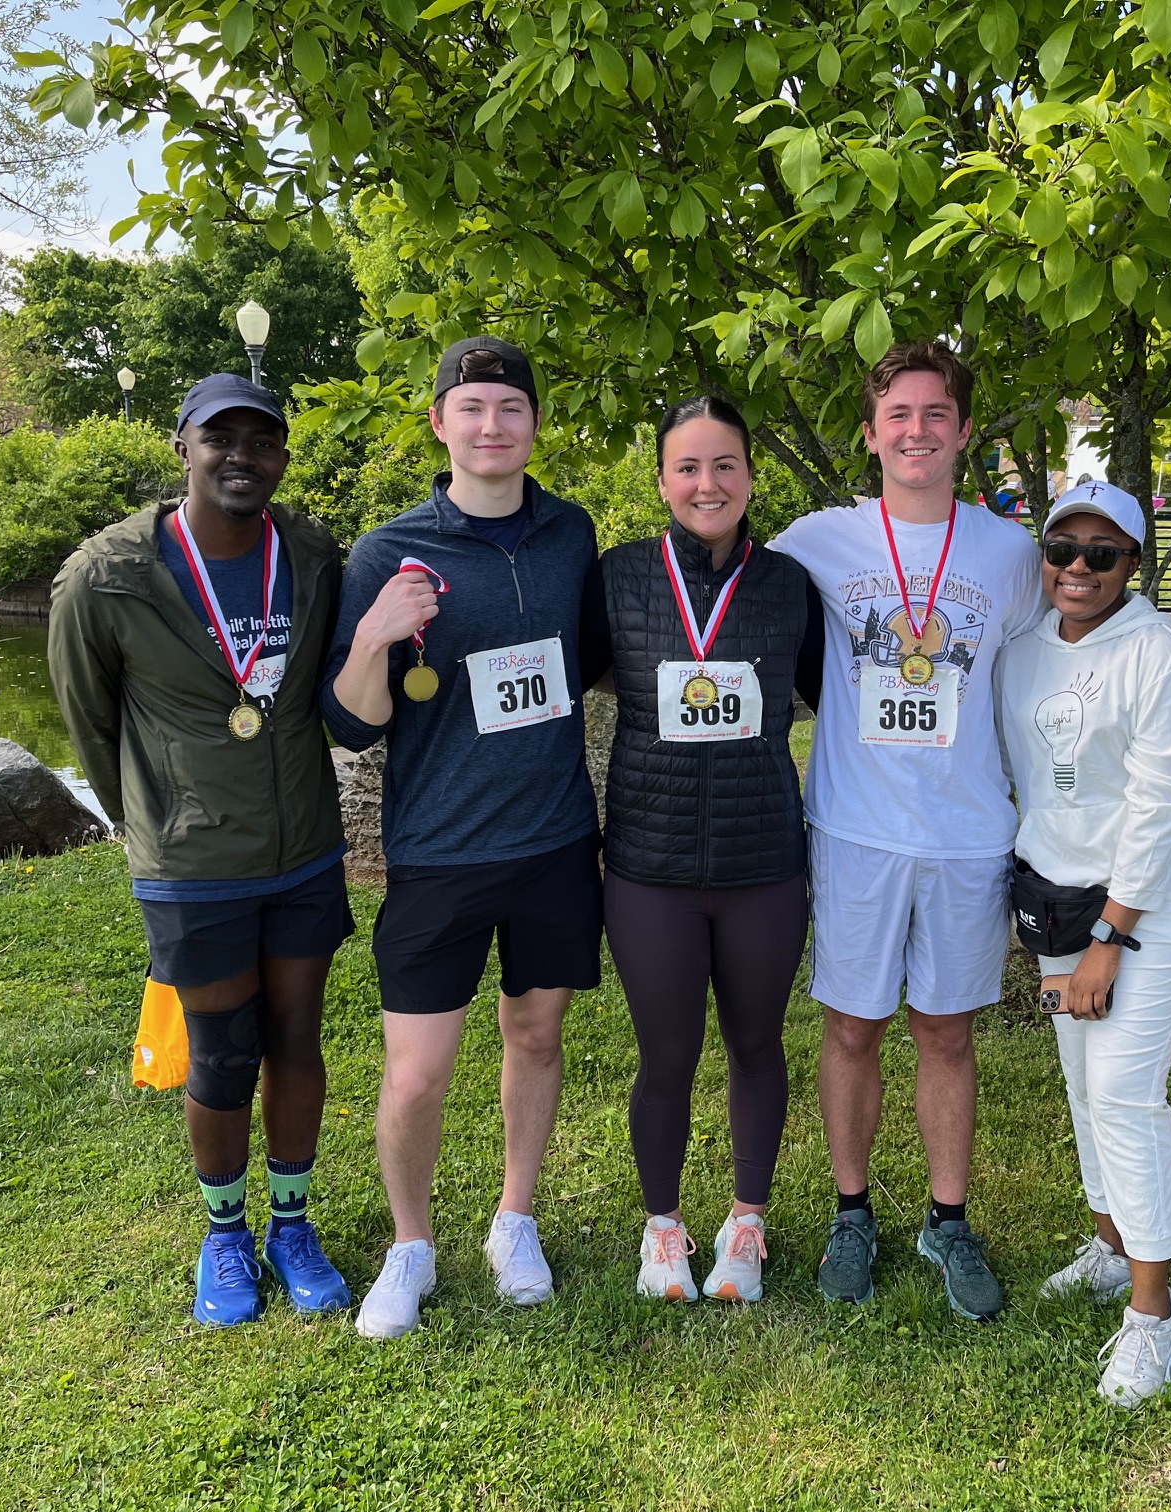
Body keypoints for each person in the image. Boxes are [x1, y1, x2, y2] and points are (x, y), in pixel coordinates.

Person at [49, 373, 355, 1327]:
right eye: (218, 438)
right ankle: (226, 1234)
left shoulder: (310, 551)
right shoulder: (106, 575)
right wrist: (160, 821)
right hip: (193, 865)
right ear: (180, 446)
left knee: (296, 1038)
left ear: (282, 458)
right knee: (224, 1054)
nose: (240, 456)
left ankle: (291, 1225)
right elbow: (92, 728)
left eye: (261, 441)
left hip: (303, 845)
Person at [321, 336, 608, 1338]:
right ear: (440, 423)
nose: (493, 426)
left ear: (534, 425)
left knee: (536, 1036)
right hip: (439, 852)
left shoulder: (571, 534)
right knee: (417, 1072)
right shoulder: (387, 552)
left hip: (556, 841)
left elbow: (601, 662)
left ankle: (514, 1218)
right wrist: (372, 636)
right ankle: (411, 1246)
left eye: (511, 408)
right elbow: (354, 721)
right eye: (473, 408)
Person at [769, 341, 1042, 1321]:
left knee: (947, 1033)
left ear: (964, 432)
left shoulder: (1012, 554)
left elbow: (1064, 660)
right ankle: (852, 1212)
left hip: (970, 833)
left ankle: (947, 1218)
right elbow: (727, 600)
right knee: (850, 1026)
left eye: (937, 414)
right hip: (855, 830)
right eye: (899, 414)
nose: (917, 430)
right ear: (872, 431)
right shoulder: (818, 540)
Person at [996, 481, 1171, 1405]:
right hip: (1058, 900)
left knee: (1125, 1092)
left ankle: (1155, 1314)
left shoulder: (1158, 657)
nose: (1079, 568)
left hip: (1147, 907)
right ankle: (1109, 1243)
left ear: (1135, 563)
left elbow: (1163, 803)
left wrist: (1109, 940)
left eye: (1104, 552)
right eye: (1064, 547)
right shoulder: (1021, 650)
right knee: (1082, 1088)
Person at [596, 395, 825, 1303]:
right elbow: (573, 670)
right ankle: (662, 1229)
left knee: (757, 1043)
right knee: (666, 1053)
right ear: (661, 481)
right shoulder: (616, 577)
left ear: (749, 477)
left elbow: (828, 692)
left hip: (763, 860)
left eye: (725, 464)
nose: (707, 483)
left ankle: (746, 1223)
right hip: (649, 866)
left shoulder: (788, 584)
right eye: (687, 467)